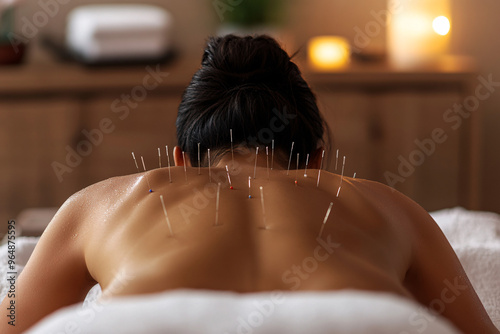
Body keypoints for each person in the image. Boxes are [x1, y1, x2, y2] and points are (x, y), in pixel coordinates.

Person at [1, 35, 497, 334]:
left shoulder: (101, 203)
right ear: (318, 163)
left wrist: (9, 262)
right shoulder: (390, 205)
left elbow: (11, 322)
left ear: (181, 162)